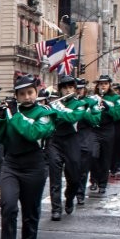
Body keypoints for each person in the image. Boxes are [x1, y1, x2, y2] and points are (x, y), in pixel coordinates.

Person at [0, 75, 55, 239]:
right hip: (11, 164)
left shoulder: (45, 112)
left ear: (36, 92)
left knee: (30, 211)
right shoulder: (11, 112)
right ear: (16, 96)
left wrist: (13, 115)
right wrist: (0, 118)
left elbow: (33, 133)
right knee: (8, 206)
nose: (27, 97)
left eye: (30, 93)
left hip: (34, 165)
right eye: (22, 94)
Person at [47, 77, 87, 217]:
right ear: (60, 89)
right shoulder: (54, 103)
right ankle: (56, 209)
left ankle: (69, 198)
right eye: (65, 88)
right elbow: (49, 120)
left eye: (71, 87)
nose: (68, 90)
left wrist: (57, 111)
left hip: (72, 140)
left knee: (74, 177)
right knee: (54, 175)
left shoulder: (79, 104)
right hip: (55, 140)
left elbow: (72, 118)